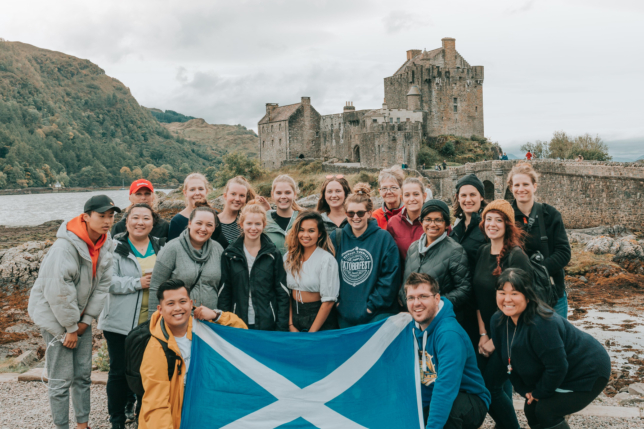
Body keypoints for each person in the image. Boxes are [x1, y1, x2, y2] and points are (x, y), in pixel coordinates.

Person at [28, 195, 120, 429]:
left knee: (82, 375)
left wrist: (86, 320)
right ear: (86, 217)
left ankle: (82, 425)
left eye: (111, 216)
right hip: (55, 317)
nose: (107, 221)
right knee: (60, 378)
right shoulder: (65, 247)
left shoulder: (106, 243)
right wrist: (70, 328)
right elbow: (58, 290)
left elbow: (102, 286)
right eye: (101, 215)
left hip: (79, 318)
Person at [489, 268, 611, 429]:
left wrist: (539, 392)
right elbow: (508, 362)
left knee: (546, 411)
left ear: (528, 295)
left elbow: (557, 367)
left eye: (514, 293)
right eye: (502, 293)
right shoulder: (498, 321)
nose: (507, 299)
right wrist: (525, 389)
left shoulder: (542, 324)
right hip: (560, 369)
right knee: (531, 409)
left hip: (587, 370)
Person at [139, 279, 246, 429]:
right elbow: (156, 404)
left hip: (208, 410)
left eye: (182, 301)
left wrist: (216, 315)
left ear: (191, 303)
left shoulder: (204, 327)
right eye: (170, 303)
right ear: (160, 309)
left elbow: (243, 335)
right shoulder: (156, 348)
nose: (178, 308)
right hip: (180, 418)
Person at [98, 203, 165, 429]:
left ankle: (142, 417)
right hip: (119, 322)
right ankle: (116, 420)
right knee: (118, 372)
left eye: (146, 218)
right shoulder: (114, 247)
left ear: (153, 223)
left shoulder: (162, 247)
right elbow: (106, 281)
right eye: (135, 218)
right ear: (126, 222)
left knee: (147, 372)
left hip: (151, 323)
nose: (140, 222)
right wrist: (138, 283)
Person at [472, 200, 532, 429]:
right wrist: (483, 334)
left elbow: (521, 304)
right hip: (488, 333)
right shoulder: (482, 251)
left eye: (499, 220)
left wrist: (496, 341)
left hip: (511, 334)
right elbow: (478, 298)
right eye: (488, 219)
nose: (492, 224)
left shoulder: (516, 257)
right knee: (494, 386)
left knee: (489, 388)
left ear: (508, 224)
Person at [406, 272, 490, 429]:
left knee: (448, 412)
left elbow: (445, 388)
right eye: (411, 298)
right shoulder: (411, 329)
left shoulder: (449, 334)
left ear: (437, 298)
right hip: (433, 395)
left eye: (423, 296)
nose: (416, 303)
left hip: (469, 398)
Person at [330, 183, 401, 328]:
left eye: (360, 213)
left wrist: (371, 306)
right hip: (344, 314)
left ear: (369, 213)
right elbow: (328, 274)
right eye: (351, 213)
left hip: (376, 315)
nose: (355, 217)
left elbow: (390, 277)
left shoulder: (383, 238)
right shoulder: (337, 237)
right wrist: (337, 303)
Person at [508, 162, 571, 318]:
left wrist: (537, 271)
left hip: (553, 294)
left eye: (525, 184)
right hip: (518, 294)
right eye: (517, 185)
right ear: (511, 188)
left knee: (557, 333)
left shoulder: (550, 214)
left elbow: (564, 252)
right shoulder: (505, 216)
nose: (521, 189)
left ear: (534, 186)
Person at [401, 200, 472, 332]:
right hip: (414, 319)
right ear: (421, 222)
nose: (432, 224)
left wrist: (434, 304)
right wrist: (408, 303)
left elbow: (464, 289)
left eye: (438, 220)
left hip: (440, 321)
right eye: (428, 219)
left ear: (446, 224)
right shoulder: (413, 248)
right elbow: (406, 282)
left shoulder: (455, 251)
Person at [218, 203, 289, 331]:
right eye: (249, 223)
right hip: (238, 323)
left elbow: (282, 292)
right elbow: (225, 292)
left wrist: (281, 327)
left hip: (267, 323)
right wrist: (225, 325)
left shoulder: (273, 253)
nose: (253, 228)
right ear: (241, 224)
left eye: (257, 224)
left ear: (264, 225)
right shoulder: (229, 254)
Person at [148, 206, 225, 315]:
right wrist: (154, 320)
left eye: (209, 225)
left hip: (210, 318)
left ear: (214, 228)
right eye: (199, 223)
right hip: (179, 318)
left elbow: (223, 288)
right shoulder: (171, 249)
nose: (203, 228)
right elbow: (156, 286)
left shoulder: (218, 249)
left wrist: (219, 316)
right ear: (189, 223)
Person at [284, 211, 340, 332]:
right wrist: (290, 324)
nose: (305, 235)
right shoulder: (289, 257)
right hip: (294, 316)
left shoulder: (326, 260)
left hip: (318, 316)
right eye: (301, 230)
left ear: (319, 233)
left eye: (311, 231)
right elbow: (286, 294)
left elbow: (329, 301)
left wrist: (312, 332)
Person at [449, 174, 488, 274]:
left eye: (472, 195)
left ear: (481, 197)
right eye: (463, 195)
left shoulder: (488, 227)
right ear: (458, 197)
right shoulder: (456, 230)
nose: (468, 200)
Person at [258, 174, 301, 255]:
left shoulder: (303, 218)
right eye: (279, 193)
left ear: (294, 194)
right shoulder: (264, 220)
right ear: (272, 195)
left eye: (287, 192)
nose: (283, 196)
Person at [387, 177, 426, 261]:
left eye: (416, 194)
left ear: (424, 196)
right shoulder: (393, 223)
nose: (411, 199)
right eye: (407, 195)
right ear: (402, 198)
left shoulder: (436, 221)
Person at [217, 175, 256, 246]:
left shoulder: (247, 222)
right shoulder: (213, 221)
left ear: (246, 198)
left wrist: (269, 210)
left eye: (242, 195)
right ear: (225, 196)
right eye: (233, 194)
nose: (237, 199)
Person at [168, 173, 207, 241]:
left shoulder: (215, 216)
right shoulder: (177, 221)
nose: (197, 193)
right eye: (192, 189)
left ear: (206, 191)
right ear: (185, 192)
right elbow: (172, 246)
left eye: (201, 189)